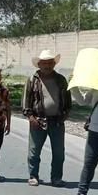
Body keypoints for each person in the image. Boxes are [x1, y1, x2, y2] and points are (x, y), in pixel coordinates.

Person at [22, 49, 71, 187]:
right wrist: (30, 117)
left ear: (54, 64)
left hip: (57, 121)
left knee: (59, 152)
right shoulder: (32, 79)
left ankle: (56, 178)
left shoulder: (61, 79)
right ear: (39, 64)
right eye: (45, 63)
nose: (48, 66)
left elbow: (67, 100)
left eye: (50, 63)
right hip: (38, 120)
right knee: (34, 151)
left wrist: (65, 114)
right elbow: (26, 101)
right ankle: (33, 175)